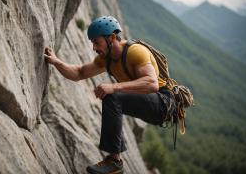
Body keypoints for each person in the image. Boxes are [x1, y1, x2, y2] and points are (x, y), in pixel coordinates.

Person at [44, 16, 176, 174]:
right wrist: (57, 62)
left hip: (163, 103)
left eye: (96, 42)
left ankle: (114, 161)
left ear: (112, 38)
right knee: (113, 99)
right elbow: (79, 73)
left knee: (112, 96)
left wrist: (114, 87)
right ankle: (114, 161)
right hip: (148, 104)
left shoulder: (135, 52)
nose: (94, 47)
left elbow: (151, 83)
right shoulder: (106, 59)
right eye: (92, 42)